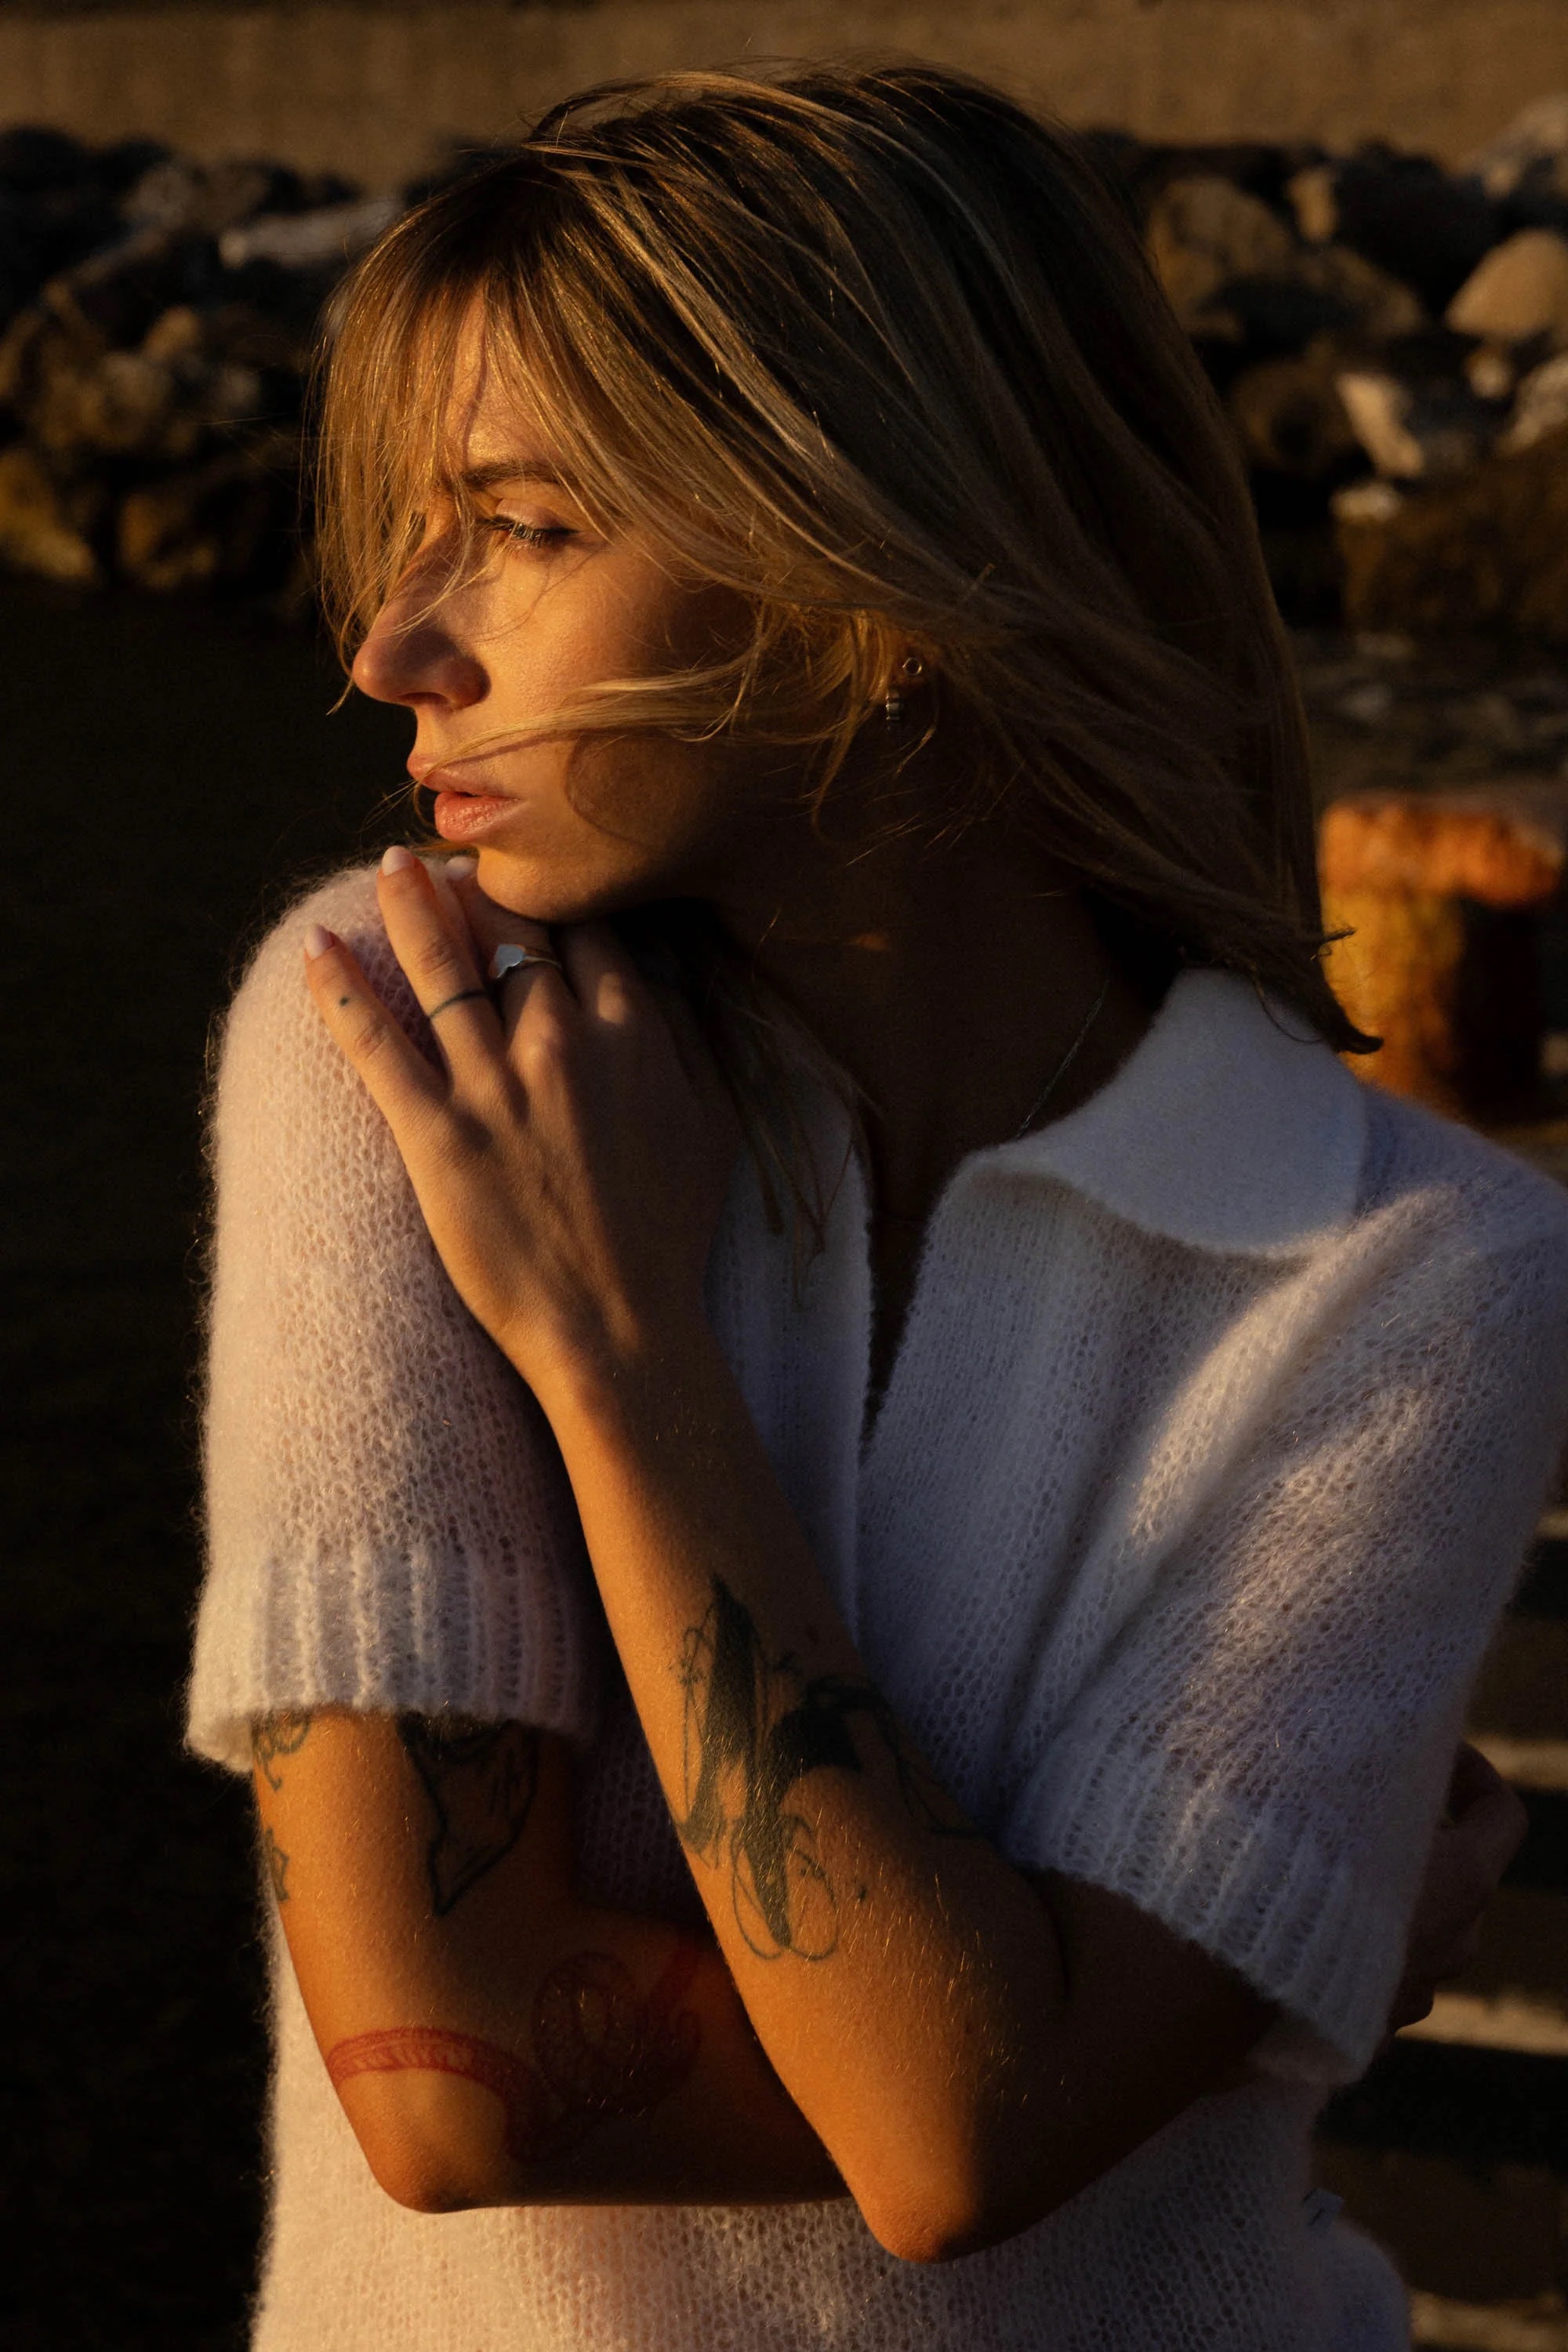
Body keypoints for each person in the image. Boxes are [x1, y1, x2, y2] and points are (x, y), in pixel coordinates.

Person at [188, 63, 1559, 2352]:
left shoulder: (1415, 1277)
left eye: (525, 526)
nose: (390, 646)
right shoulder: (401, 1040)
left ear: (881, 568)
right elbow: (452, 2077)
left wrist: (617, 1351)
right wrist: (1186, 2010)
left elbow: (950, 2142)